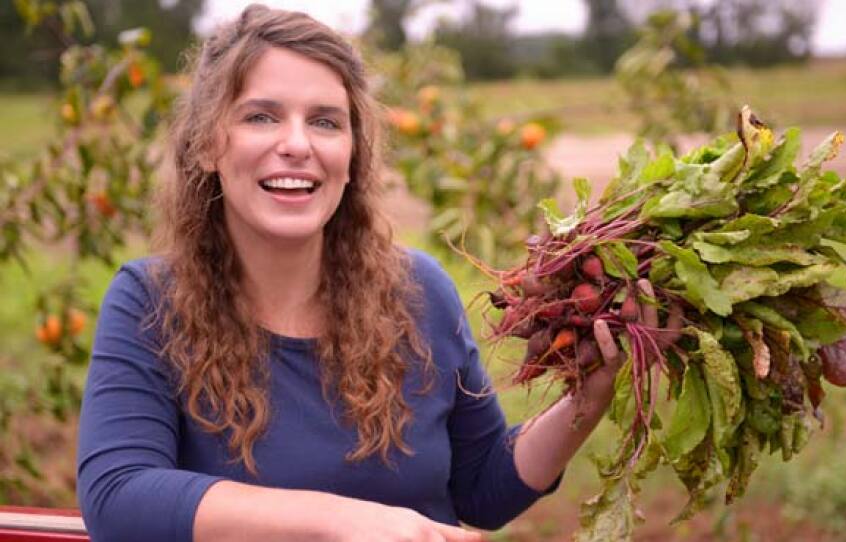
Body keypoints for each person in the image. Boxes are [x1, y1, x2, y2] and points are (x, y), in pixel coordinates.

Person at [76, 5, 660, 541]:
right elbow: (119, 498)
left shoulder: (420, 292)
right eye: (261, 116)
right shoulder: (151, 301)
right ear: (207, 144)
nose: (297, 144)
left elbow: (482, 490)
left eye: (327, 122)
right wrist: (342, 519)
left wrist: (588, 397)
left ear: (354, 154)